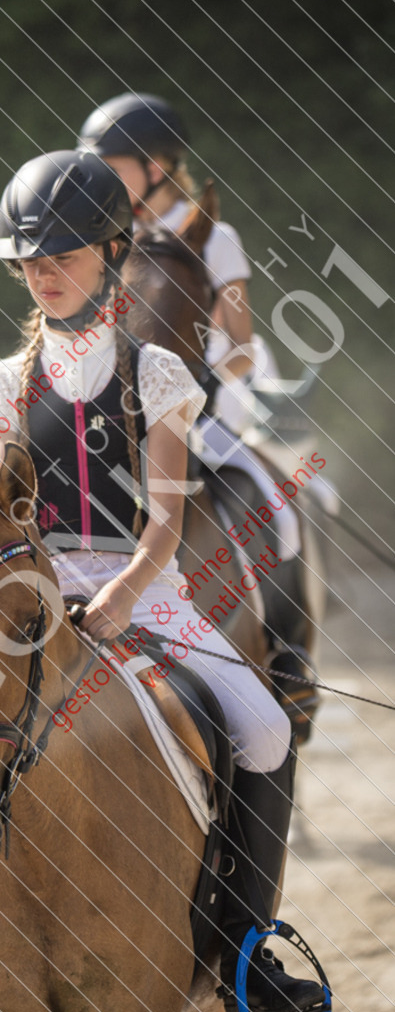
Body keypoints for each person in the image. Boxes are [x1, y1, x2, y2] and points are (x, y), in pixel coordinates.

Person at [0, 149, 325, 1012]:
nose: (44, 273)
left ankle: (250, 950)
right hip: (21, 593)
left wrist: (122, 598)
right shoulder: (3, 383)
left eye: (61, 255)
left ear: (111, 252)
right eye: (30, 260)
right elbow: (2, 516)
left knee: (260, 728)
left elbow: (168, 525)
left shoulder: (154, 375)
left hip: (140, 587)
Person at [77, 94, 320, 738]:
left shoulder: (217, 237)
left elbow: (240, 342)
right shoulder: (108, 234)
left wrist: (203, 381)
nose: (99, 174)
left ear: (157, 164)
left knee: (270, 502)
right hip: (123, 400)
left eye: (113, 163)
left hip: (207, 401)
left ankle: (289, 655)